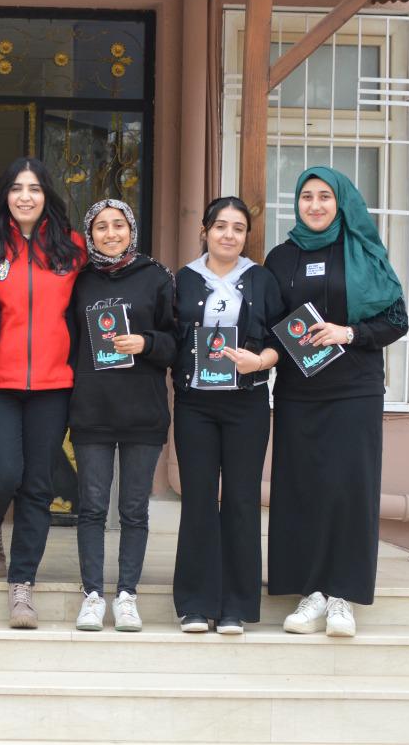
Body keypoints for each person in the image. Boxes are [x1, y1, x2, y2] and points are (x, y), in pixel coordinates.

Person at [265, 166, 408, 639]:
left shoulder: (363, 252)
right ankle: (311, 594)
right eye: (306, 196)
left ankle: (342, 596)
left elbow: (397, 320)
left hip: (354, 390)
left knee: (350, 491)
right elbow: (268, 324)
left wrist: (349, 333)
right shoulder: (280, 258)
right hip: (297, 392)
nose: (315, 205)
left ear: (341, 201)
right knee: (301, 489)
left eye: (325, 196)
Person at [0, 157, 87, 630]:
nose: (25, 196)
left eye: (34, 188)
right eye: (17, 188)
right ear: (6, 195)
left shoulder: (72, 249)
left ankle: (22, 585)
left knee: (38, 486)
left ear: (46, 195)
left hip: (53, 385)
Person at [170, 196, 283, 635]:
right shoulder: (184, 279)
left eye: (238, 228)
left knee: (240, 500)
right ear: (205, 231)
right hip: (195, 404)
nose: (229, 235)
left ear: (246, 236)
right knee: (198, 500)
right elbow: (169, 337)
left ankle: (235, 605)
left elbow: (281, 339)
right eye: (220, 226)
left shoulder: (261, 279)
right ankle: (195, 604)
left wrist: (261, 361)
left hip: (246, 404)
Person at [69, 197, 176, 633]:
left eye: (119, 225)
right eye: (101, 227)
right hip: (92, 409)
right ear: (90, 235)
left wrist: (146, 343)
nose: (110, 233)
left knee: (134, 510)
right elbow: (69, 343)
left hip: (142, 412)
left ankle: (127, 595)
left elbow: (177, 343)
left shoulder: (157, 277)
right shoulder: (79, 281)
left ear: (132, 230)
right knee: (92, 508)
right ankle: (93, 595)